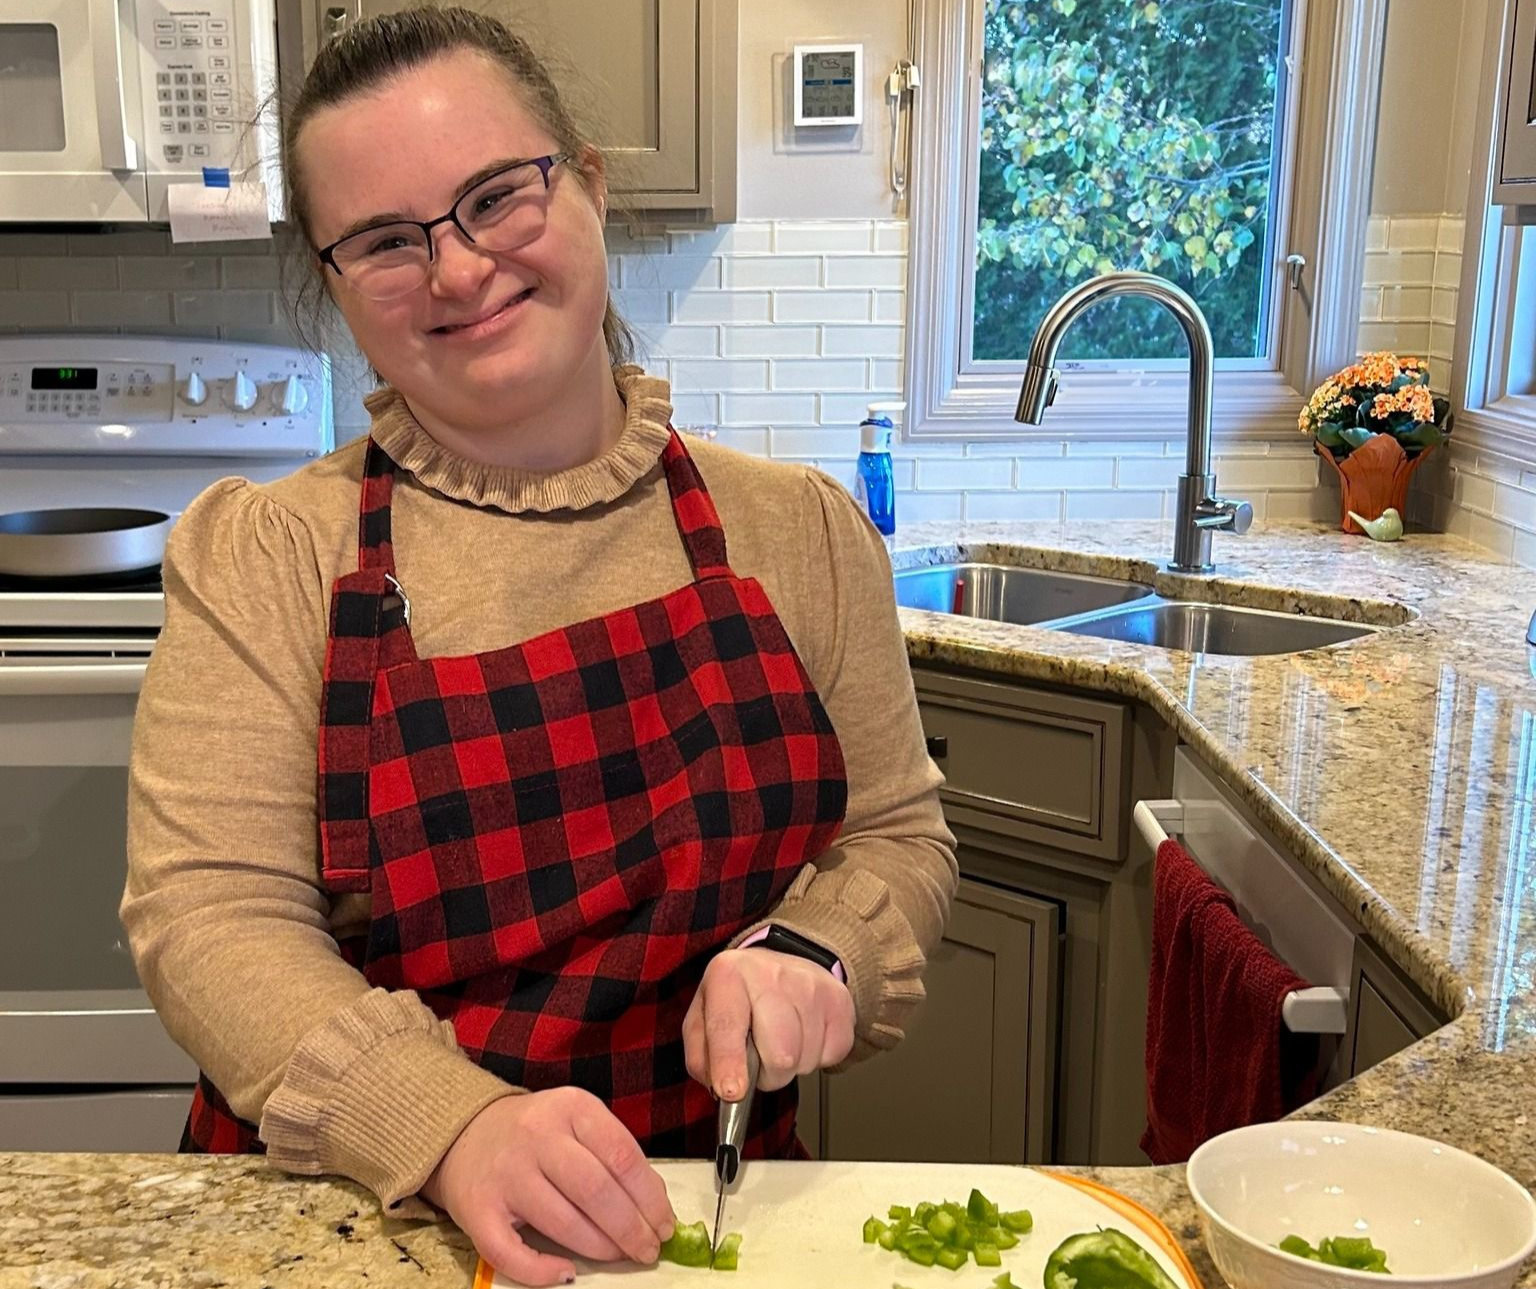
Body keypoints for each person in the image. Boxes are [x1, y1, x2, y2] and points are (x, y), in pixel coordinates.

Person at [122, 8, 956, 1286]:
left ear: (590, 186)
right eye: (388, 241)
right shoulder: (273, 556)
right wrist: (449, 1123)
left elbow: (894, 833)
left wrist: (819, 941)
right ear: (337, 283)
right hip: (363, 1220)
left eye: (497, 198)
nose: (457, 273)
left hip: (701, 1218)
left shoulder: (796, 530)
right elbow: (211, 918)